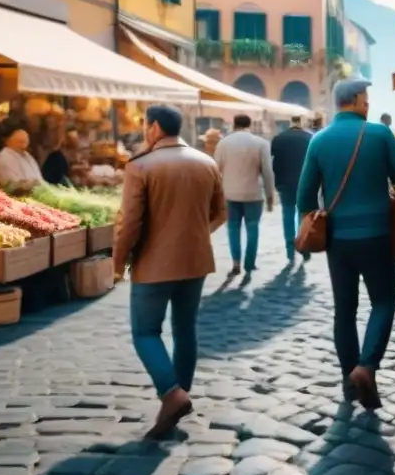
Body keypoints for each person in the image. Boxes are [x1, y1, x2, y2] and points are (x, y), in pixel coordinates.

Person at [297, 80, 395, 409]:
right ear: (358, 99)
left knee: (344, 310)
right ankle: (367, 366)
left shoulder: (318, 140)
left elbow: (304, 197)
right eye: (366, 98)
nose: (369, 103)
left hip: (338, 241)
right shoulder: (378, 134)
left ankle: (349, 379)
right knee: (383, 301)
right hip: (376, 234)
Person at [113, 105, 226, 438]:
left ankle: (172, 393)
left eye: (147, 126)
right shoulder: (207, 163)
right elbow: (220, 213)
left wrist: (118, 263)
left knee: (145, 332)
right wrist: (194, 235)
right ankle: (179, 395)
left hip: (154, 263)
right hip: (195, 261)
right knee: (185, 328)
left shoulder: (141, 165)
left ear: (156, 127)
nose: (146, 131)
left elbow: (129, 225)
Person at [214, 114, 275, 276]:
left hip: (229, 194)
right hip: (253, 194)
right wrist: (270, 195)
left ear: (234, 125)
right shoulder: (261, 144)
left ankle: (236, 262)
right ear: (250, 125)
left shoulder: (223, 144)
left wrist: (214, 196)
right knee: (253, 227)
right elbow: (267, 172)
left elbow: (215, 171)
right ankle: (250, 263)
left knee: (233, 228)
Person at [270, 115, 312, 264]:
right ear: (303, 123)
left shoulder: (279, 139)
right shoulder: (309, 138)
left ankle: (290, 249)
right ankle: (303, 245)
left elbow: (274, 161)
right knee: (303, 215)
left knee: (287, 214)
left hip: (284, 183)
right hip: (305, 183)